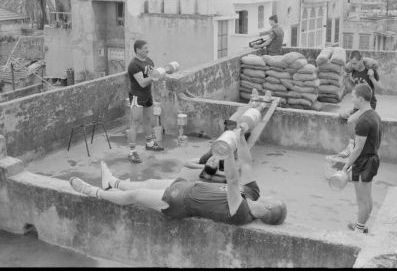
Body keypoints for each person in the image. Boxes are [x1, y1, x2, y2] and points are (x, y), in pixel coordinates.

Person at [69, 133, 287, 226]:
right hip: (189, 186)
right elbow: (247, 164)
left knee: (135, 195)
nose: (272, 195)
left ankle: (94, 192)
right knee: (148, 183)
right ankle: (112, 183)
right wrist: (240, 137)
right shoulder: (252, 193)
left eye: (275, 199)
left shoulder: (242, 213)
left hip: (178, 203)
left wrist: (228, 150)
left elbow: (231, 179)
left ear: (269, 207)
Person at [343, 83, 382, 234]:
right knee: (367, 198)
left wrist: (346, 166)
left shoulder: (363, 121)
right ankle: (361, 224)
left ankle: (358, 230)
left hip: (364, 162)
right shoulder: (374, 115)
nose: (352, 100)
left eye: (353, 97)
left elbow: (358, 148)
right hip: (372, 159)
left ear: (360, 98)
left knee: (362, 200)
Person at [126, 40, 164, 164]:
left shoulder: (149, 61)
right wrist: (155, 76)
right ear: (137, 50)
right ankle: (132, 152)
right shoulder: (134, 65)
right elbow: (142, 82)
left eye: (147, 48)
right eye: (144, 48)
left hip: (147, 95)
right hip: (137, 96)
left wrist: (160, 74)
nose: (147, 50)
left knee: (148, 120)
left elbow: (152, 77)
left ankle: (149, 143)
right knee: (135, 123)